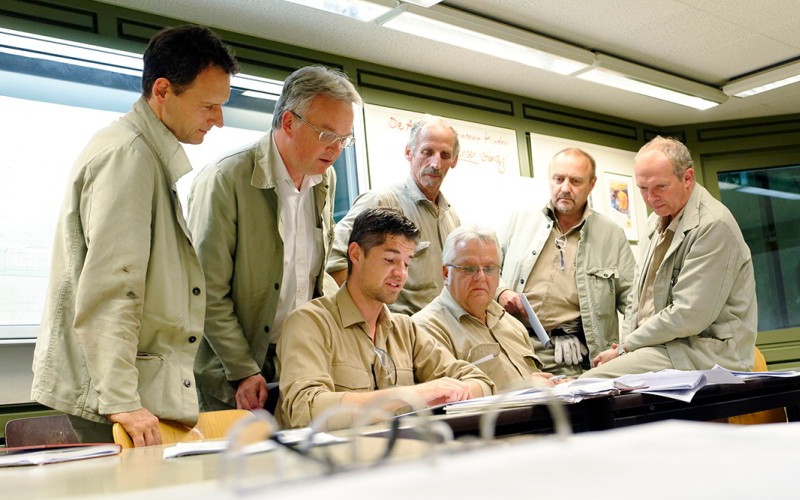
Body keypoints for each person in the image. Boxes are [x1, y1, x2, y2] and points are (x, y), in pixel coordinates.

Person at [31, 25, 239, 447]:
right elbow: (114, 287)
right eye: (209, 106)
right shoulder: (129, 156)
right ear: (163, 91)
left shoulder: (142, 154)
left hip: (130, 389)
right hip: (117, 398)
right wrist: (122, 399)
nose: (219, 120)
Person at [188, 65, 362, 412]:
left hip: (295, 362)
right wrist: (242, 369)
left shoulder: (323, 182)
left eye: (345, 138)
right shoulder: (227, 178)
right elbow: (205, 290)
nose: (338, 149)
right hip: (230, 372)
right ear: (288, 123)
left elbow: (311, 278)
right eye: (328, 135)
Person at [277, 208, 493, 429]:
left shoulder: (405, 329)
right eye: (390, 260)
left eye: (407, 263)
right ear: (356, 254)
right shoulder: (309, 323)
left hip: (403, 455)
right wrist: (412, 395)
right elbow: (304, 409)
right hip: (334, 459)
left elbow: (482, 383)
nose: (401, 273)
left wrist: (453, 393)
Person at [583, 136, 757, 378]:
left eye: (660, 187)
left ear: (687, 178)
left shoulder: (714, 224)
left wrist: (626, 347)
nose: (650, 197)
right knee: (594, 379)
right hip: (666, 345)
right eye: (642, 188)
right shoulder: (654, 221)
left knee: (594, 381)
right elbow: (637, 298)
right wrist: (624, 348)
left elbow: (688, 314)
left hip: (705, 351)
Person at [497, 148, 635, 377]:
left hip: (575, 355)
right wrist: (501, 291)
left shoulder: (611, 235)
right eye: (558, 179)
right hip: (514, 345)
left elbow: (633, 302)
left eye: (576, 181)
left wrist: (625, 348)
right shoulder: (519, 219)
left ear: (592, 184)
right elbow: (487, 268)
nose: (565, 188)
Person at [326, 118, 461, 315]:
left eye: (445, 155)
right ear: (409, 152)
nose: (436, 163)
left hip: (442, 334)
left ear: (454, 161)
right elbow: (334, 258)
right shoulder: (380, 202)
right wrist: (367, 322)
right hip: (396, 336)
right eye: (427, 152)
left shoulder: (452, 218)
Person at [413, 225, 558, 391]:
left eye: (489, 268)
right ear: (446, 273)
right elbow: (448, 398)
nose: (480, 277)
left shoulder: (512, 325)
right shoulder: (424, 330)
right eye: (468, 268)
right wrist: (524, 386)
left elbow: (534, 378)